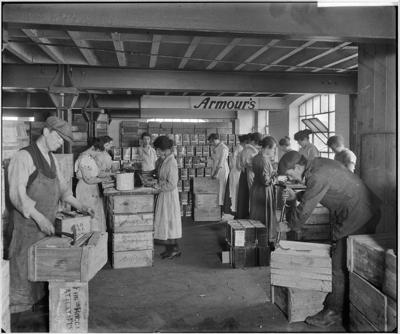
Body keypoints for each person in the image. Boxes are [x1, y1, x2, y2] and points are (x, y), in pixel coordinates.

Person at [277, 151, 380, 328]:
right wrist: (297, 196)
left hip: (358, 215)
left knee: (338, 266)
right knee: (350, 261)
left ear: (298, 167)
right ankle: (348, 303)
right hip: (366, 209)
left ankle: (333, 312)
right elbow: (319, 192)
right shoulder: (318, 163)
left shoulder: (316, 175)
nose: (290, 178)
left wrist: (289, 225)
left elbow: (304, 212)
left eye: (290, 174)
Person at [7, 116, 95, 313]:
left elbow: (64, 190)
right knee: (22, 273)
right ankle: (17, 315)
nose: (60, 142)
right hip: (25, 230)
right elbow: (17, 195)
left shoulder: (53, 159)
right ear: (46, 132)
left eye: (63, 140)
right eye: (58, 137)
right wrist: (40, 219)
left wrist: (81, 206)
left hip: (44, 230)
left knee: (41, 271)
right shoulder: (23, 157)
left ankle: (36, 307)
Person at [75, 137, 113, 232]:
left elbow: (97, 173)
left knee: (96, 215)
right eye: (98, 152)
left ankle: (98, 241)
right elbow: (88, 179)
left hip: (92, 189)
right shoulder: (83, 158)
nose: (98, 155)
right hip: (85, 189)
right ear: (93, 148)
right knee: (90, 216)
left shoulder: (89, 158)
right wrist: (104, 179)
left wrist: (111, 174)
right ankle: (91, 241)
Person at [153, 136, 182, 259]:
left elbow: (172, 184)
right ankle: (170, 248)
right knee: (166, 221)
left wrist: (158, 187)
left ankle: (174, 249)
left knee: (170, 221)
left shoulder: (172, 162)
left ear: (163, 149)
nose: (156, 152)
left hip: (169, 195)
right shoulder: (166, 160)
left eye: (157, 150)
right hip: (164, 194)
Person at [249, 136, 278, 243]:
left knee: (257, 214)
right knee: (264, 215)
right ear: (267, 147)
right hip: (263, 191)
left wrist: (272, 172)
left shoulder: (257, 157)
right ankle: (264, 239)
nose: (274, 151)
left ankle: (256, 237)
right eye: (273, 148)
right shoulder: (263, 160)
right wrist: (275, 178)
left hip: (256, 189)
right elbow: (266, 181)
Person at [236, 132, 261, 219]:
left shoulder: (252, 149)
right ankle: (253, 214)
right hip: (251, 173)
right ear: (253, 141)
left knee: (253, 194)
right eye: (257, 142)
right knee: (253, 194)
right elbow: (246, 164)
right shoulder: (248, 150)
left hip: (253, 173)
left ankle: (253, 213)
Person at [208, 133, 229, 209]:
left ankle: (222, 208)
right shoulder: (215, 147)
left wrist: (216, 173)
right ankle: (217, 207)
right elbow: (213, 159)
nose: (211, 144)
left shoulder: (224, 148)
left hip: (221, 170)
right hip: (215, 169)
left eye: (211, 142)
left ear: (215, 140)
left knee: (221, 189)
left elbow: (220, 163)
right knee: (216, 188)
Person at [228, 135, 247, 215]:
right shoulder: (240, 149)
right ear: (245, 142)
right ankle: (236, 210)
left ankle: (235, 209)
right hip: (237, 172)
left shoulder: (238, 147)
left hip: (234, 171)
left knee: (235, 190)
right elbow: (239, 165)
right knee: (236, 191)